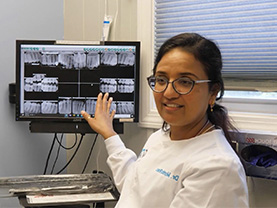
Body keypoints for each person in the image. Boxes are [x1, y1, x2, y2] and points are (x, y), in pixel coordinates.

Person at [81, 33, 249, 208]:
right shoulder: (161, 136)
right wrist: (109, 134)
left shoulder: (217, 167)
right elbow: (134, 188)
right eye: (161, 79)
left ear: (212, 92)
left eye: (185, 82)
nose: (168, 93)